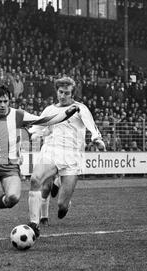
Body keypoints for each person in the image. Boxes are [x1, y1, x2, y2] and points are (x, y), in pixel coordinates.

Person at [0, 84, 80, 246]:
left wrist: (66, 113)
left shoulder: (18, 115)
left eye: (5, 101)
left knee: (13, 198)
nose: (3, 105)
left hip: (11, 167)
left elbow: (44, 120)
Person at [27, 77, 106, 237]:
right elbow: (37, 127)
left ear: (72, 93)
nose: (63, 96)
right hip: (51, 150)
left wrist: (97, 140)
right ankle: (34, 224)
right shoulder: (49, 110)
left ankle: (63, 197)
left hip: (72, 156)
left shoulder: (80, 108)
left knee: (62, 206)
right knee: (36, 180)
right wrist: (32, 134)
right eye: (60, 92)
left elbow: (92, 127)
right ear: (57, 91)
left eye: (67, 93)